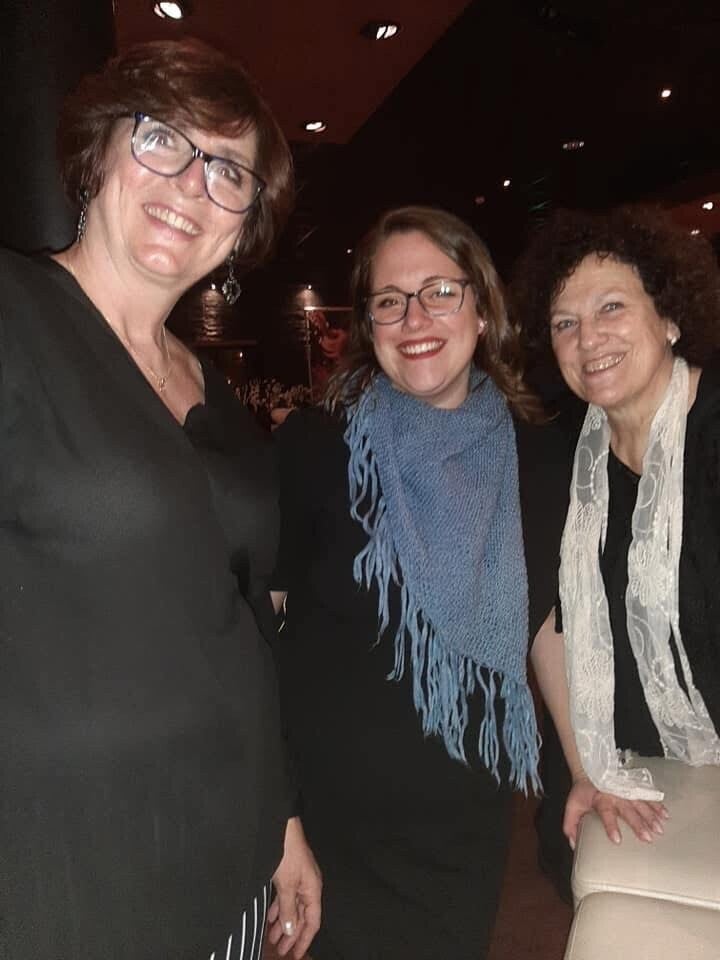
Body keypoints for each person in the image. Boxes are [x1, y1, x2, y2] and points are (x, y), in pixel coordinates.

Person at [0, 39, 320, 960]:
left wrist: (284, 819)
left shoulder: (212, 391)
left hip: (229, 858)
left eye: (228, 170)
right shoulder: (14, 315)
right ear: (98, 150)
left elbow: (246, 624)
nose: (192, 183)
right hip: (68, 878)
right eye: (162, 139)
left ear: (242, 227)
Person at [270, 206, 552, 959]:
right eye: (390, 300)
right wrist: (279, 821)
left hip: (467, 818)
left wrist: (588, 770)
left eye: (440, 292)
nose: (414, 318)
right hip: (333, 829)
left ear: (483, 309)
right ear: (369, 325)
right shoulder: (315, 447)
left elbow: (546, 622)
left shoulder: (534, 455)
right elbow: (256, 636)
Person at [513, 206, 720, 886]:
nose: (588, 338)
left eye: (611, 307)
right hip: (613, 774)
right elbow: (550, 620)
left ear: (670, 316)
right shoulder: (557, 460)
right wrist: (586, 769)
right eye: (564, 323)